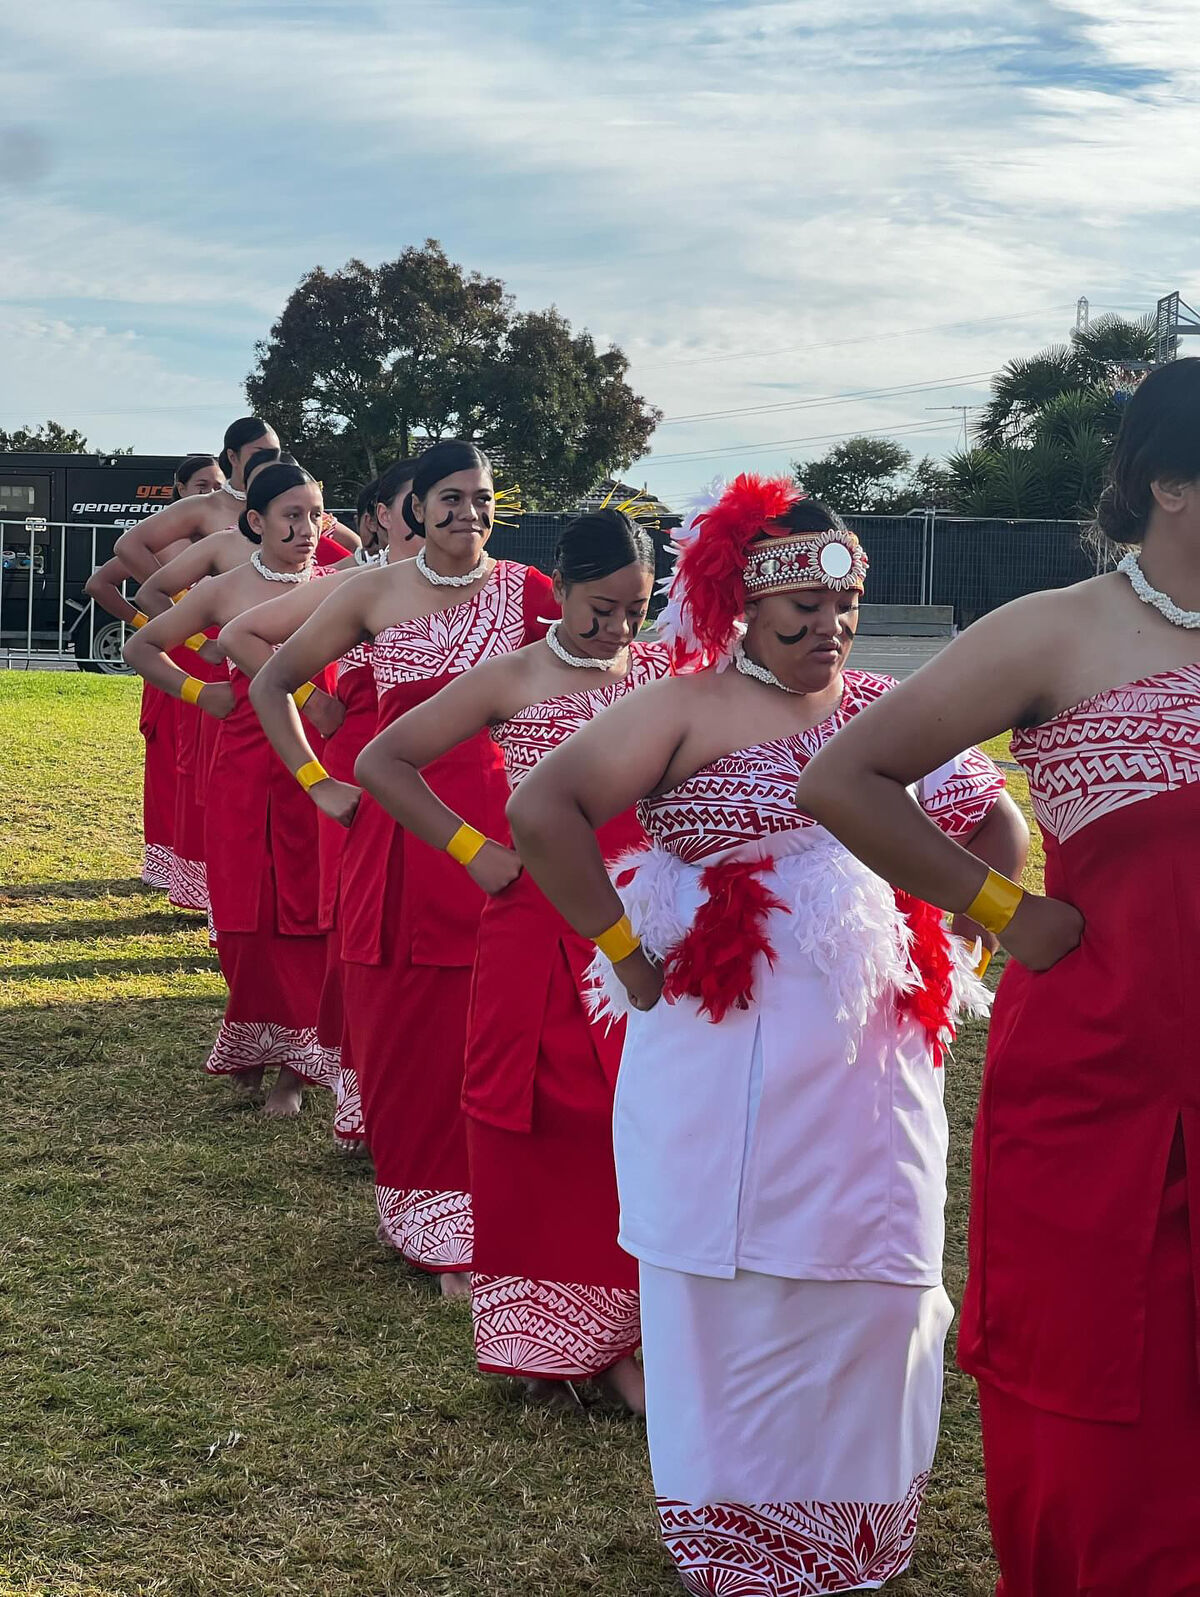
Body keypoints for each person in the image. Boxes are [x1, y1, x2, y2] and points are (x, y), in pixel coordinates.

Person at [508, 475, 1026, 1595]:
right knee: (728, 1275)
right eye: (800, 618)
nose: (827, 636)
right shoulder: (678, 707)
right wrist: (623, 952)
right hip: (722, 1048)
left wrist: (969, 946)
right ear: (738, 608)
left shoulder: (887, 706)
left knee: (877, 1273)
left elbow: (995, 820)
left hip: (874, 1060)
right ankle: (736, 1537)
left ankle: (857, 1530)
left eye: (842, 615)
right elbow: (541, 810)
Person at [794, 359, 1200, 1597]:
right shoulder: (1055, 629)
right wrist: (1003, 911)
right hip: (1106, 1085)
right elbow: (843, 778)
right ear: (1173, 482)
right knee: (1098, 1417)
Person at [356, 508, 666, 1408]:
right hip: (537, 925)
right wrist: (475, 853)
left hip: (647, 921)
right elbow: (385, 761)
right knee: (543, 1116)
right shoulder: (513, 676)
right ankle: (560, 1342)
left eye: (635, 611)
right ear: (559, 590)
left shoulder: (662, 677)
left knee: (640, 1116)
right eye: (599, 608)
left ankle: (641, 1323)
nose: (616, 630)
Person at [244, 441, 557, 1294]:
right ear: (412, 508)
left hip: (509, 829)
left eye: (483, 497)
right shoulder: (373, 590)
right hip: (405, 833)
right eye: (449, 497)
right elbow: (273, 681)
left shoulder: (530, 592)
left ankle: (508, 1204)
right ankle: (433, 1222)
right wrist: (319, 783)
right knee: (415, 1027)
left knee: (504, 1019)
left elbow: (603, 664)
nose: (469, 513)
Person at [124, 463, 343, 1116]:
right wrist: (203, 691)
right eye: (291, 516)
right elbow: (143, 642)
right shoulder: (224, 589)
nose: (307, 530)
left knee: (304, 915)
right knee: (242, 921)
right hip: (243, 770)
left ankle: (296, 1071)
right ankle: (248, 1046)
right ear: (256, 521)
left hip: (315, 773)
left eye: (315, 515)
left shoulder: (341, 588)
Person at [221, 457, 421, 1152]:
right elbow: (240, 639)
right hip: (359, 782)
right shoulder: (355, 583)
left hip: (456, 794)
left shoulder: (496, 591)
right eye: (425, 503)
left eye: (472, 502)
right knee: (348, 936)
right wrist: (315, 714)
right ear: (383, 518)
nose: (450, 517)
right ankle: (332, 1085)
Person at [83, 453, 225, 890]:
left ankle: (205, 864)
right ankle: (173, 866)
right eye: (201, 485)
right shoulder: (162, 536)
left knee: (214, 765)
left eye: (217, 483)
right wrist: (146, 623)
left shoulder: (229, 533)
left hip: (222, 655)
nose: (211, 492)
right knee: (173, 764)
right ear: (180, 490)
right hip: (175, 655)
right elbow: (100, 584)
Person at [113, 419, 280, 582]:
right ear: (233, 457)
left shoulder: (289, 504)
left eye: (274, 455)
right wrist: (176, 601)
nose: (268, 462)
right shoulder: (204, 506)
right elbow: (128, 546)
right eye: (259, 454)